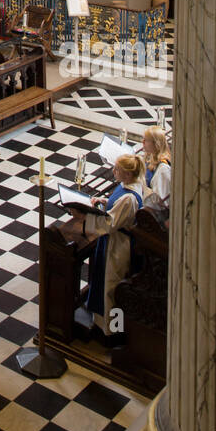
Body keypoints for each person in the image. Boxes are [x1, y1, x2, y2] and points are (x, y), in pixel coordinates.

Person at [67, 152, 146, 336]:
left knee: (112, 287)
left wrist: (83, 218)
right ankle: (103, 324)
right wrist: (104, 201)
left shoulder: (129, 198)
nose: (113, 171)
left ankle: (113, 332)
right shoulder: (128, 185)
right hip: (112, 242)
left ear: (127, 174)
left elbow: (110, 223)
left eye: (117, 169)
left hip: (118, 245)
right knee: (105, 282)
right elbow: (116, 206)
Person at [140, 127, 171, 211]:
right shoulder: (151, 159)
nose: (142, 142)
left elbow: (160, 199)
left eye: (146, 140)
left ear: (156, 144)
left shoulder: (163, 169)